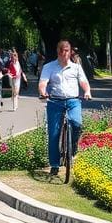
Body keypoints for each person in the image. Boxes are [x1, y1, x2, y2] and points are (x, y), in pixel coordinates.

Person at [38, 40, 92, 177]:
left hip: (73, 101)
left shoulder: (76, 67)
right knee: (54, 133)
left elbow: (84, 82)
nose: (64, 53)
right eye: (61, 50)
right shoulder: (49, 67)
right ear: (58, 51)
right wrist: (43, 92)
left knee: (76, 123)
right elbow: (43, 83)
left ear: (70, 51)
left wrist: (87, 91)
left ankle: (73, 145)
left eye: (66, 50)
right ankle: (55, 164)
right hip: (55, 101)